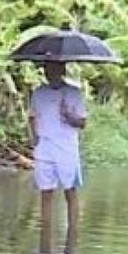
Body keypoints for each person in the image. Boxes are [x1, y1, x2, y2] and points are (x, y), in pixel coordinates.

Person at [29, 62, 86, 243]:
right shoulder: (39, 93)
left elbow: (82, 123)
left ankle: (72, 236)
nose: (49, 73)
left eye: (53, 69)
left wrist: (69, 115)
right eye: (46, 70)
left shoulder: (74, 93)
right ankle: (45, 240)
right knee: (46, 193)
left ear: (61, 71)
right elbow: (32, 116)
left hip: (66, 149)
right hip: (45, 148)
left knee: (70, 191)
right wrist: (34, 138)